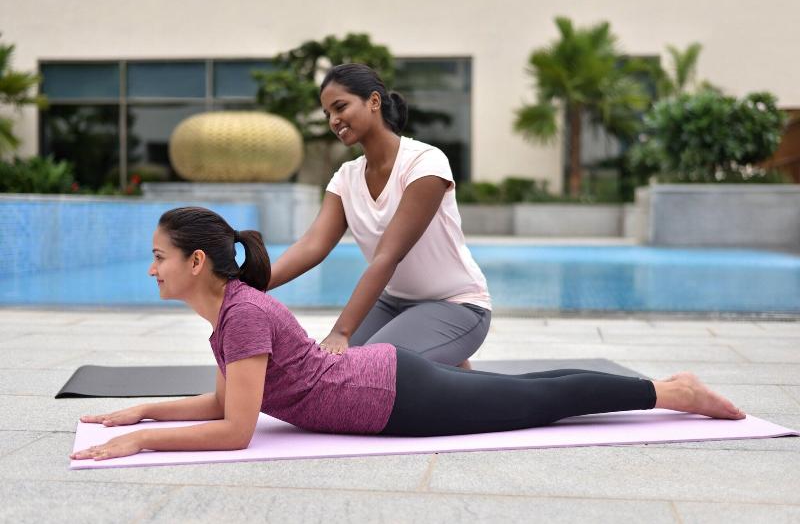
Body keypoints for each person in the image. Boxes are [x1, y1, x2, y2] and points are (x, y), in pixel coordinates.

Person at [72, 207, 745, 462]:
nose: (150, 266)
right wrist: (143, 408)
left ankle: (667, 389)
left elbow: (236, 430)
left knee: (535, 403)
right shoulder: (229, 315)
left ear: (195, 262)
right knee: (524, 393)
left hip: (392, 396)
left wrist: (143, 438)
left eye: (159, 255)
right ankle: (664, 385)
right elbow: (225, 404)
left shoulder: (242, 314)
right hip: (385, 376)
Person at [267, 63, 490, 368]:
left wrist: (341, 332)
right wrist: (252, 284)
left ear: (373, 101)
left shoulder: (425, 163)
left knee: (367, 372)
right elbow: (311, 246)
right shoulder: (346, 177)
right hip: (393, 303)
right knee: (330, 374)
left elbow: (388, 255)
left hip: (457, 305)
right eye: (327, 114)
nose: (334, 120)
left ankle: (445, 359)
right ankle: (447, 367)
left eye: (340, 107)